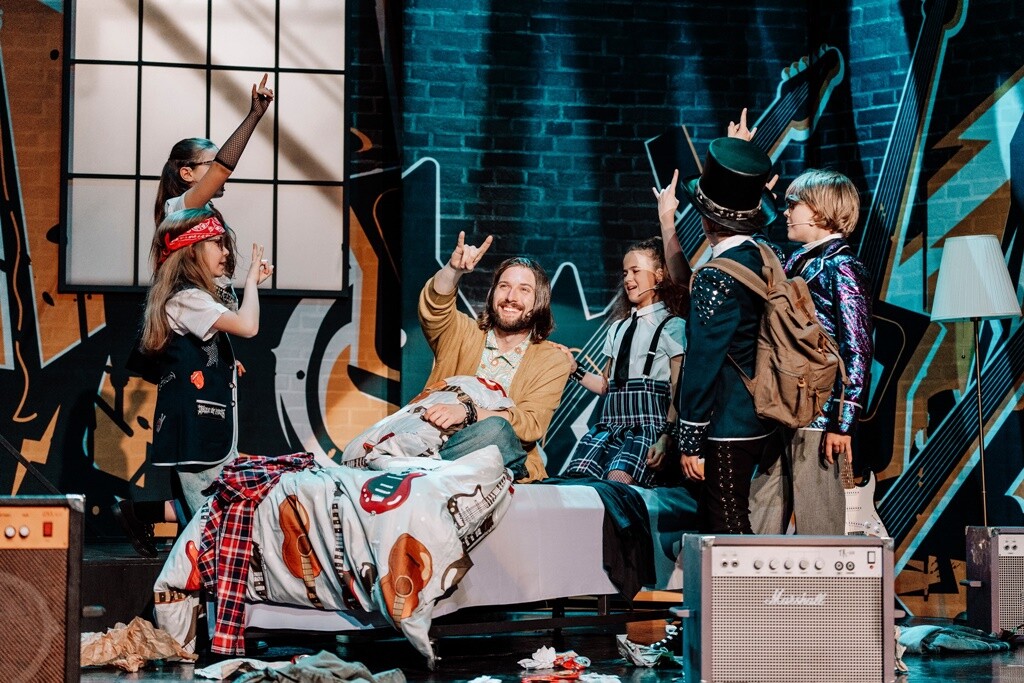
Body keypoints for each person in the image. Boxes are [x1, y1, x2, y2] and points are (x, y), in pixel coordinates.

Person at [114, 75, 275, 556]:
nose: (219, 175)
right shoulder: (182, 209)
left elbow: (225, 311)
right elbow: (224, 166)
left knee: (207, 485)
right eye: (205, 166)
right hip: (183, 340)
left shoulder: (200, 221)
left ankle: (145, 515)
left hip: (198, 346)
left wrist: (221, 357)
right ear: (187, 173)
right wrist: (254, 116)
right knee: (207, 486)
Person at [748, 169, 873, 535]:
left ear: (819, 211)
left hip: (819, 417)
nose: (786, 213)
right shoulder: (798, 261)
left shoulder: (842, 267)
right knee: (759, 516)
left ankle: (829, 581)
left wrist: (842, 424)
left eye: (793, 205)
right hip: (782, 409)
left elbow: (857, 348)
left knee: (820, 526)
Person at [673, 136, 781, 534]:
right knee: (723, 526)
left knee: (730, 528)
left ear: (707, 220)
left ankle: (749, 584)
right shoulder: (765, 255)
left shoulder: (717, 275)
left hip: (728, 422)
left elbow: (704, 360)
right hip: (764, 411)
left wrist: (690, 440)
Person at [418, 232, 573, 482]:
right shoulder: (462, 333)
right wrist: (453, 270)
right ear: (492, 294)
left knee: (498, 429)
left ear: (539, 301)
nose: (511, 297)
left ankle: (423, 472)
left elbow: (531, 424)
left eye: (524, 290)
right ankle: (423, 469)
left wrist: (468, 412)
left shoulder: (552, 360)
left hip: (500, 463)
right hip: (435, 444)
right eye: (504, 286)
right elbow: (435, 310)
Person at [561, 237, 687, 486]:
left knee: (618, 481)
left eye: (636, 271)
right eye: (625, 272)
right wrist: (575, 369)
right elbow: (606, 386)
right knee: (579, 483)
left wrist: (667, 436)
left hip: (648, 429)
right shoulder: (617, 329)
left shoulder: (673, 326)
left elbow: (678, 390)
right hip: (609, 427)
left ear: (659, 276)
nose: (628, 279)